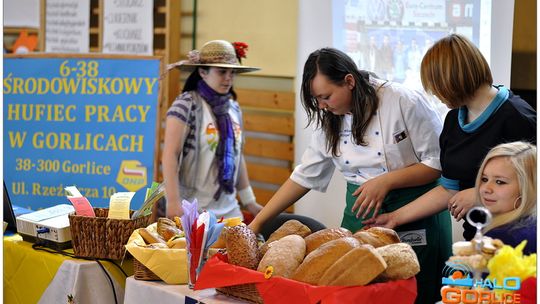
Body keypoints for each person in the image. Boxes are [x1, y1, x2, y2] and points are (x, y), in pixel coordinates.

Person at [248, 47, 451, 304]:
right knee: (355, 292)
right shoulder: (329, 117)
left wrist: (386, 181)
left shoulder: (402, 100)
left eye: (326, 97)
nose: (322, 106)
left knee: (415, 292)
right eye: (317, 100)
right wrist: (256, 223)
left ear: (350, 81)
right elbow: (304, 176)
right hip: (361, 213)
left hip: (415, 209)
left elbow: (437, 163)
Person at [363, 34, 536, 241]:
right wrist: (394, 218)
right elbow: (449, 189)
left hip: (518, 240)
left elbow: (532, 188)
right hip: (480, 237)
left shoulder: (517, 117)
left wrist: (478, 194)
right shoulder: (454, 119)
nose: (434, 93)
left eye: (435, 86)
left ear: (451, 79)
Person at [162, 40, 264, 219]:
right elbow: (170, 154)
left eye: (232, 72)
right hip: (193, 208)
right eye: (222, 71)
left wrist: (250, 201)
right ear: (203, 72)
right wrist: (173, 202)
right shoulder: (187, 104)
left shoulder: (234, 108)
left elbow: (237, 157)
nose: (228, 78)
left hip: (230, 208)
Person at [477, 141, 536, 254]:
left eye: (500, 182)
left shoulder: (501, 238)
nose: (486, 189)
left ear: (526, 188)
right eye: (484, 179)